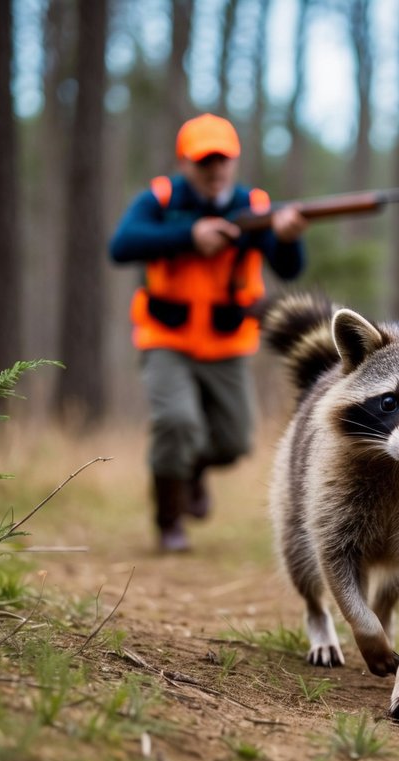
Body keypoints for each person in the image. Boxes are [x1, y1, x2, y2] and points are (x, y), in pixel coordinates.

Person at [109, 113, 308, 552]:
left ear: (235, 162)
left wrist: (289, 236)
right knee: (176, 422)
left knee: (235, 442)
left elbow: (290, 268)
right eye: (205, 161)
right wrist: (189, 235)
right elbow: (121, 245)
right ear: (185, 163)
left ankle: (190, 470)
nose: (215, 170)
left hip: (228, 343)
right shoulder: (159, 201)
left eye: (223, 160)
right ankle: (168, 523)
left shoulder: (255, 206)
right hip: (166, 339)